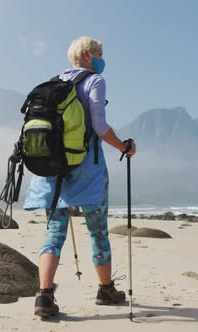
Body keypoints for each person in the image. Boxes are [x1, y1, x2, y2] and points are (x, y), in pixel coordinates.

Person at [23, 36, 137, 317]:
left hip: (51, 170)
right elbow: (99, 125)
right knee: (98, 231)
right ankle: (105, 289)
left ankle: (44, 296)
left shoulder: (52, 82)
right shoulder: (94, 81)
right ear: (87, 55)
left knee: (54, 232)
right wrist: (125, 147)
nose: (102, 59)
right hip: (88, 172)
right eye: (100, 53)